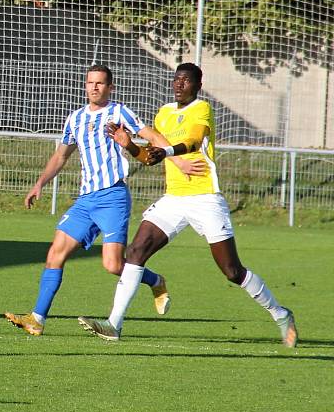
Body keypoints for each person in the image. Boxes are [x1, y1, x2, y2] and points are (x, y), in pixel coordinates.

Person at [78, 62, 298, 347]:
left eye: (186, 80)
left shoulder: (202, 109)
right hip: (174, 199)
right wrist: (128, 144)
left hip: (205, 197)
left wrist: (167, 150)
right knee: (136, 251)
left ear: (198, 85)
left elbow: (193, 142)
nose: (179, 84)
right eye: (176, 79)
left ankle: (280, 313)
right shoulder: (165, 113)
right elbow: (149, 157)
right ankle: (114, 324)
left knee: (232, 271)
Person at [4, 64, 202, 336]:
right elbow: (61, 156)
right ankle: (37, 318)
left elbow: (152, 136)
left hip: (112, 197)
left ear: (110, 87)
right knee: (54, 254)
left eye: (100, 83)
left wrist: (176, 160)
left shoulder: (119, 113)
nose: (94, 87)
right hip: (86, 200)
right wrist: (40, 183)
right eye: (90, 83)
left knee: (112, 265)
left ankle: (155, 280)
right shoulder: (75, 119)